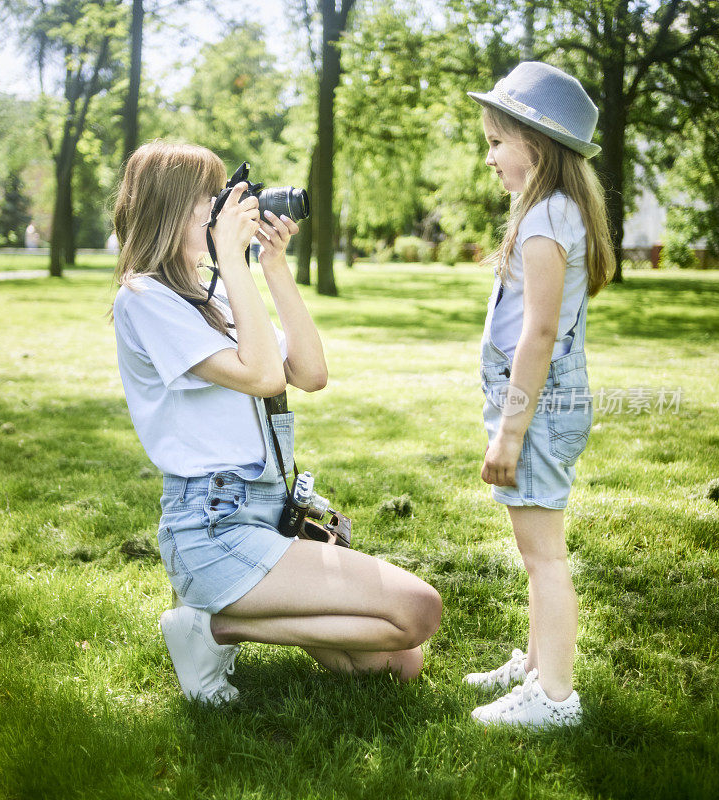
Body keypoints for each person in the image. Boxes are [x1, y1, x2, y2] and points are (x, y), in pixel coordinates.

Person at [111, 141, 442, 705]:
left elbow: (310, 374)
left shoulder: (214, 296)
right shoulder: (143, 296)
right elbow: (264, 375)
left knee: (398, 662)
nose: (225, 209)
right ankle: (217, 625)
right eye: (209, 200)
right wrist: (233, 260)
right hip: (211, 528)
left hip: (267, 513)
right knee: (418, 610)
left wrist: (273, 267)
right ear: (170, 210)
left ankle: (218, 624)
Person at [463, 63, 614, 727]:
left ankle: (555, 697)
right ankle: (534, 663)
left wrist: (512, 430)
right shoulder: (553, 210)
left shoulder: (546, 218)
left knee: (544, 555)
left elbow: (541, 330)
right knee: (535, 552)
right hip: (545, 405)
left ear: (538, 144)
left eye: (497, 141)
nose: (489, 156)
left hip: (539, 410)